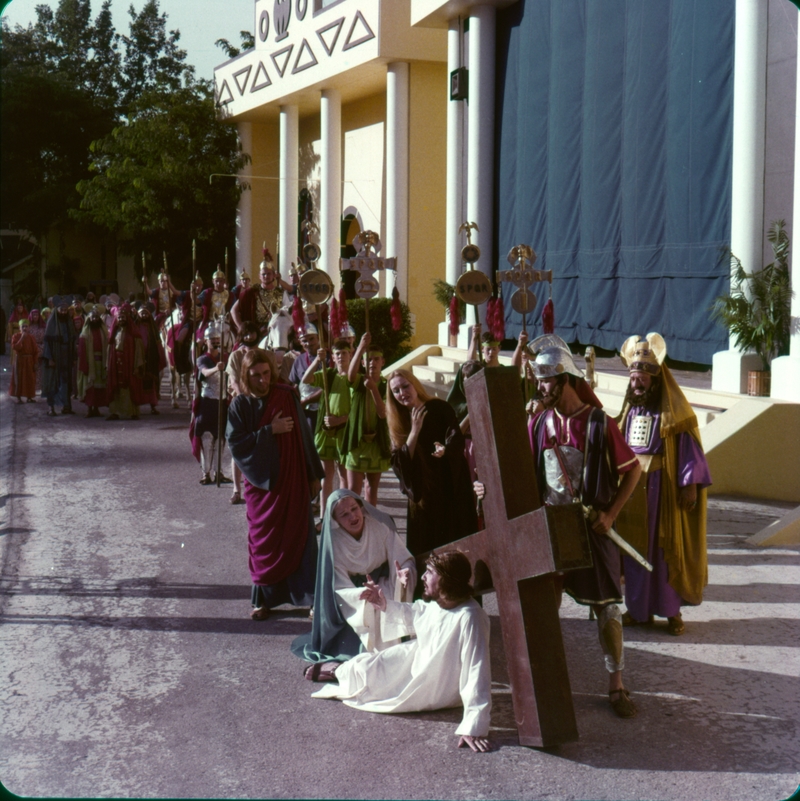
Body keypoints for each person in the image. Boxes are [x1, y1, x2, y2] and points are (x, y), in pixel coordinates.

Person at [524, 334, 641, 718]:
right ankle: (547, 682)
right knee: (545, 604)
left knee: (608, 609)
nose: (540, 387)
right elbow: (523, 475)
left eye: (545, 380)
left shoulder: (599, 424)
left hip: (593, 528)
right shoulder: (539, 423)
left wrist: (610, 516)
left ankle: (617, 684)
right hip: (552, 526)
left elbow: (633, 471)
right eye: (539, 380)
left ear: (566, 380)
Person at [310, 550, 493, 753]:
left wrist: (473, 724)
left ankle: (337, 672)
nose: (423, 577)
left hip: (435, 684)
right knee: (371, 665)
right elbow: (418, 612)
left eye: (430, 572)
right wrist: (384, 604)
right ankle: (339, 670)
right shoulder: (443, 603)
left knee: (374, 683)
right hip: (417, 657)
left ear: (446, 579)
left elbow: (477, 670)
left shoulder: (470, 617)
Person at [616, 334, 712, 636]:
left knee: (663, 551)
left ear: (655, 379)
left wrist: (689, 485)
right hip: (632, 491)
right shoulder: (630, 410)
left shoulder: (673, 413)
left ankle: (671, 612)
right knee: (634, 552)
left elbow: (689, 449)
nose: (637, 384)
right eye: (633, 378)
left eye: (642, 378)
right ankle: (637, 610)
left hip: (662, 490)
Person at [227, 348, 324, 620]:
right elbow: (237, 444)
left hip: (294, 481)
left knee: (302, 538)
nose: (262, 380)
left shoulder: (286, 393)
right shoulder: (239, 405)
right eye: (255, 375)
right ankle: (263, 601)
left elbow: (305, 436)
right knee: (263, 542)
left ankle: (312, 600)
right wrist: (270, 431)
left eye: (266, 373)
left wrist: (313, 474)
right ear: (246, 375)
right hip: (262, 488)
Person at [292, 489, 416, 666]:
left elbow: (402, 559)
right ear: (335, 520)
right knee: (371, 606)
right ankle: (378, 658)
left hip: (385, 582)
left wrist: (403, 574)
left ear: (362, 507)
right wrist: (362, 594)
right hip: (355, 590)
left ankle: (394, 655)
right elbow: (340, 585)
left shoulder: (380, 526)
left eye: (354, 508)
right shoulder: (333, 542)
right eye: (344, 514)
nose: (352, 516)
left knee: (386, 602)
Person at [386, 369, 477, 556]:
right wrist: (414, 431)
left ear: (415, 385)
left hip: (449, 485)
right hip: (423, 493)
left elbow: (455, 436)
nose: (402, 393)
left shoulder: (438, 407)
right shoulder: (398, 420)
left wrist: (445, 449)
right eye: (396, 391)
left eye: (405, 386)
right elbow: (398, 462)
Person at [302, 339, 352, 518]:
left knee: (345, 476)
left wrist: (340, 420)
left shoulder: (354, 377)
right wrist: (317, 360)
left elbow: (358, 410)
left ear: (350, 354)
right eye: (337, 354)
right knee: (326, 477)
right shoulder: (328, 374)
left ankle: (344, 514)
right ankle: (324, 517)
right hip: (326, 432)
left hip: (346, 431)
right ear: (333, 356)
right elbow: (306, 379)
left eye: (344, 353)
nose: (341, 357)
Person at [343, 333, 390, 506]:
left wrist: (373, 389)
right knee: (353, 489)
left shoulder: (386, 385)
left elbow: (383, 413)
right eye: (368, 359)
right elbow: (350, 376)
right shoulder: (358, 382)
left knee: (371, 488)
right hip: (357, 442)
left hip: (376, 443)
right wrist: (361, 347)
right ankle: (353, 524)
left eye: (376, 359)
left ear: (382, 362)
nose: (373, 362)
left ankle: (371, 522)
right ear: (363, 362)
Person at [225, 322, 261, 504]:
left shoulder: (261, 354)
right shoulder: (235, 356)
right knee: (237, 447)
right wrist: (243, 399)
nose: (249, 339)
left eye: (252, 335)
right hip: (240, 404)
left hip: (258, 403)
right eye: (245, 336)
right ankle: (236, 489)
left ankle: (255, 484)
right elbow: (233, 381)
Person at [190, 322, 230, 484]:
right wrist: (217, 369)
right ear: (206, 341)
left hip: (222, 402)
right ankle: (206, 473)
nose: (215, 342)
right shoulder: (202, 359)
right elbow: (205, 372)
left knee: (220, 439)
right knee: (207, 439)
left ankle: (218, 472)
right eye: (211, 339)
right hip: (207, 403)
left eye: (217, 339)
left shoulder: (226, 357)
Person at [230, 250, 293, 337]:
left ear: (274, 275)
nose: (266, 276)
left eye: (269, 274)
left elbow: (289, 312)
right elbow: (233, 310)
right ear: (259, 276)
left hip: (277, 331)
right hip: (256, 333)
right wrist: (241, 327)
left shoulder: (281, 293)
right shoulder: (252, 292)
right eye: (263, 274)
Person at [106, 302, 144, 421]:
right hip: (116, 361)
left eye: (123, 317)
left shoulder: (133, 332)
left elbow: (138, 349)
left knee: (129, 385)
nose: (121, 319)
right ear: (116, 319)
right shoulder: (114, 332)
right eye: (119, 317)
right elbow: (109, 348)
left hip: (129, 361)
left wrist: (137, 364)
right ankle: (115, 412)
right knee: (116, 385)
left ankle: (132, 412)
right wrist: (108, 364)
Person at [42, 295, 77, 416]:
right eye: (61, 310)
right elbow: (47, 342)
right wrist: (50, 358)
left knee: (66, 381)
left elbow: (72, 341)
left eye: (65, 310)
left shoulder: (69, 322)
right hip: (54, 355)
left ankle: (66, 406)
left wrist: (73, 357)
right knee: (52, 381)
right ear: (56, 310)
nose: (63, 312)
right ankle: (51, 408)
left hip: (66, 355)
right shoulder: (52, 323)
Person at [288, 323, 323, 431]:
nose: (309, 343)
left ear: (318, 338)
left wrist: (307, 400)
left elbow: (331, 386)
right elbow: (294, 384)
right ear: (300, 342)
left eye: (312, 339)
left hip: (325, 408)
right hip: (305, 412)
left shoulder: (329, 357)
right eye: (304, 341)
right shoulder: (299, 360)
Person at [77, 304, 109, 418]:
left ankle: (96, 409)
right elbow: (81, 351)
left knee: (99, 387)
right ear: (89, 319)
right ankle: (89, 409)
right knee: (90, 387)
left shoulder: (104, 331)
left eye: (96, 317)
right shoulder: (85, 333)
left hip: (101, 362)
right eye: (93, 317)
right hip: (90, 363)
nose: (94, 319)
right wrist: (84, 365)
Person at [136, 304, 167, 415]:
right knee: (138, 382)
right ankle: (136, 407)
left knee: (152, 383)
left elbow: (158, 343)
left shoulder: (152, 328)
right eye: (142, 313)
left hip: (150, 357)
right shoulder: (135, 325)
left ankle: (153, 406)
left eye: (146, 313)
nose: (144, 315)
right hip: (138, 357)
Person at [9, 319, 39, 403]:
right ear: (20, 328)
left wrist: (35, 362)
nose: (25, 328)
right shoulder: (15, 336)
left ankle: (29, 397)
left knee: (30, 378)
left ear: (29, 327)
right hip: (20, 360)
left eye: (26, 326)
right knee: (19, 378)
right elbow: (15, 347)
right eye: (23, 326)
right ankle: (18, 397)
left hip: (29, 361)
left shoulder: (31, 337)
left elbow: (35, 351)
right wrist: (22, 338)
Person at [26, 308, 46, 392]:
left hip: (40, 348)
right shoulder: (28, 326)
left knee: (38, 369)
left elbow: (45, 339)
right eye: (33, 315)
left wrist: (41, 348)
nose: (35, 316)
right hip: (30, 349)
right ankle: (30, 388)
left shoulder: (43, 326)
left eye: (37, 315)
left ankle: (38, 388)